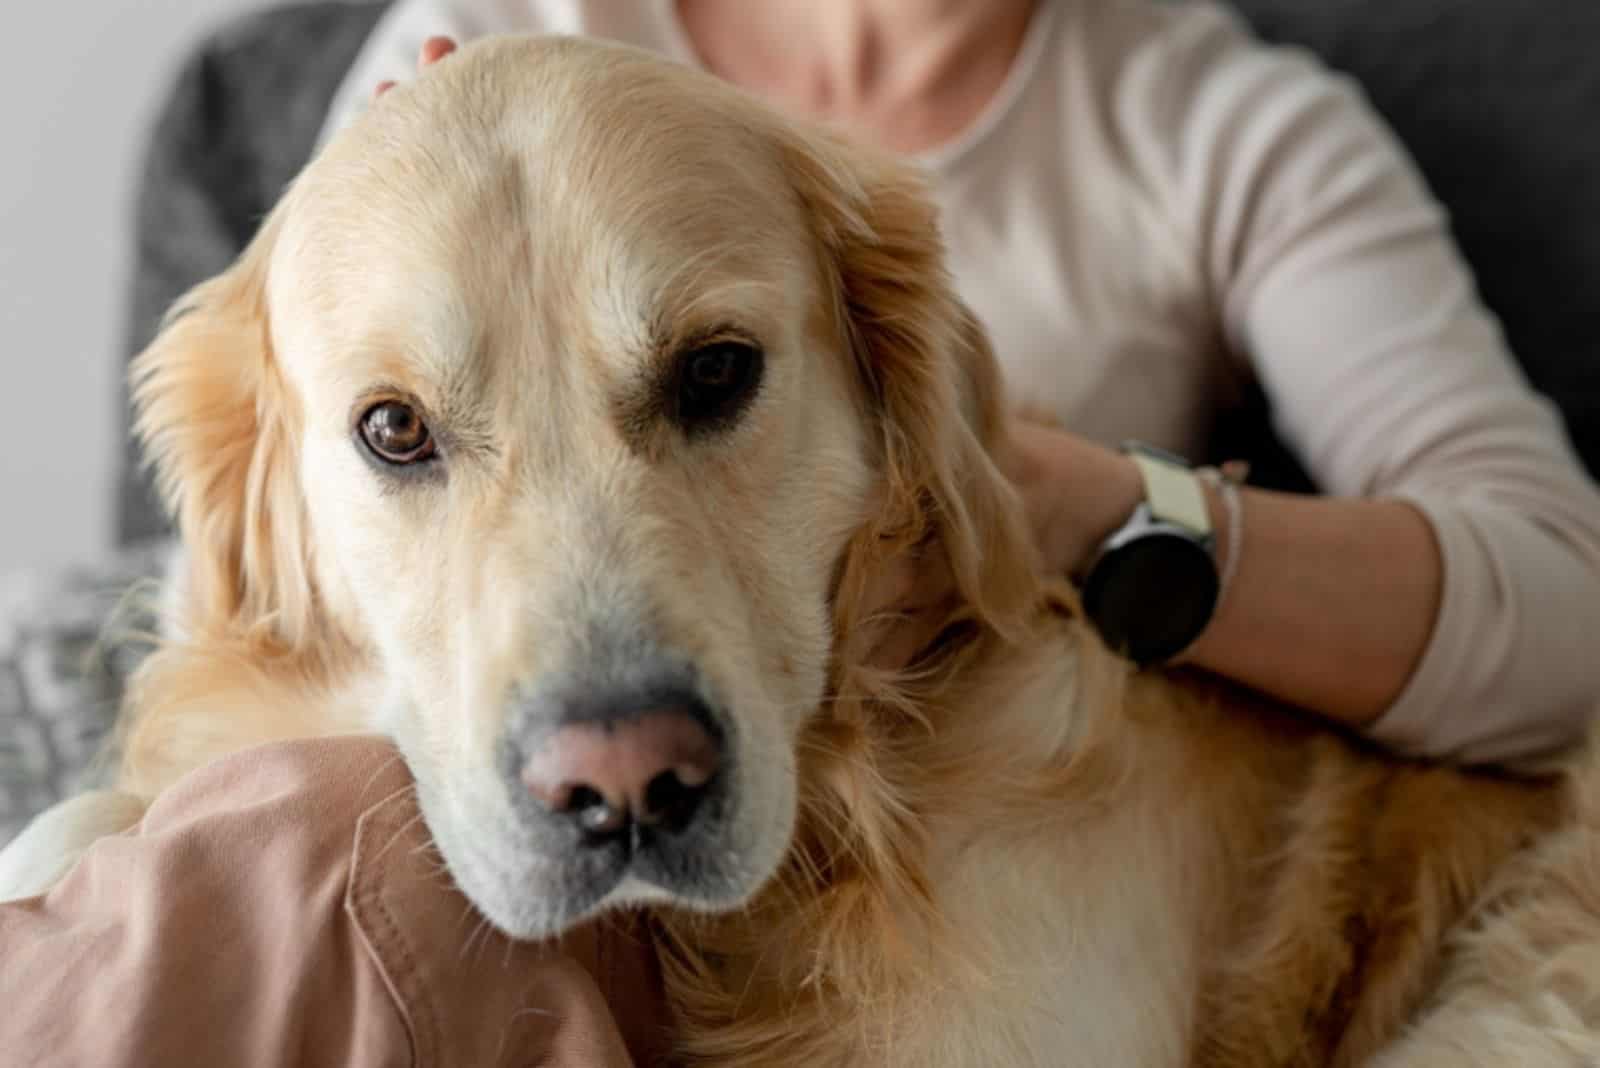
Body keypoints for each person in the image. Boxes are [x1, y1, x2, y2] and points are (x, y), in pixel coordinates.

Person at [324, 0, 1600, 766]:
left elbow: (1566, 611)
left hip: (962, 870)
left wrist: (1058, 507)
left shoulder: (1227, 134)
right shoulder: (500, 37)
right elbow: (292, 520)